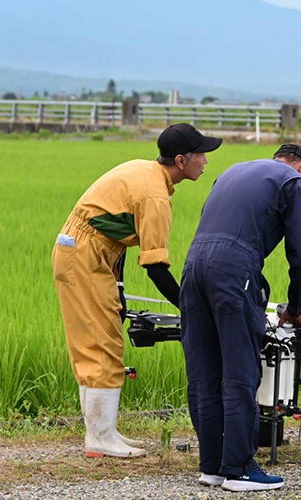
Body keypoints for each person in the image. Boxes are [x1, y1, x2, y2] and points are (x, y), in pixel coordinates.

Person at [52, 123, 221, 458]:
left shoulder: (145, 171)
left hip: (87, 253)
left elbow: (115, 228)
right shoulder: (154, 195)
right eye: (200, 154)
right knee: (101, 342)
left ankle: (103, 431)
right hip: (86, 257)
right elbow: (156, 267)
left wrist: (118, 285)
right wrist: (190, 306)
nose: (205, 160)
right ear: (180, 160)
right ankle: (100, 438)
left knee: (99, 337)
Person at [180, 144, 301, 491]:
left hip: (193, 265)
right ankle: (239, 469)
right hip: (232, 269)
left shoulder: (233, 171)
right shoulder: (295, 182)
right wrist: (296, 306)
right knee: (240, 371)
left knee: (204, 373)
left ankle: (212, 466)